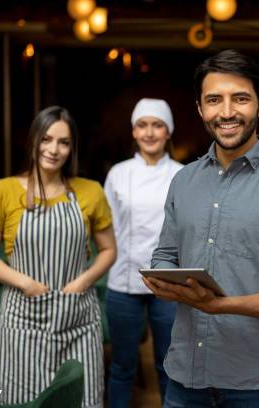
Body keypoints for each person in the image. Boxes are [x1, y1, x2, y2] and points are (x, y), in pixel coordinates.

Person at [143, 50, 259, 407]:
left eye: (240, 98)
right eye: (214, 100)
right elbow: (164, 256)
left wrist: (222, 305)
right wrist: (165, 281)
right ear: (200, 109)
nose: (226, 112)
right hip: (183, 378)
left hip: (258, 384)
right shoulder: (183, 181)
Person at [0, 106, 117, 407]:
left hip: (78, 318)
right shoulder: (1, 191)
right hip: (23, 320)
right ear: (33, 141)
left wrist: (83, 282)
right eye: (47, 139)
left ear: (72, 148)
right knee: (22, 400)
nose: (54, 149)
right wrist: (24, 282)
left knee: (85, 398)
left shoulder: (90, 192)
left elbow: (108, 250)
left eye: (64, 142)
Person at [104, 98, 183, 407]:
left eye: (157, 125)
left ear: (168, 132)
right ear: (134, 132)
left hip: (170, 282)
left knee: (169, 366)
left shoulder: (183, 173)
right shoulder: (118, 174)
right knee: (122, 366)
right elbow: (106, 228)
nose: (150, 132)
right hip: (123, 282)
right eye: (142, 125)